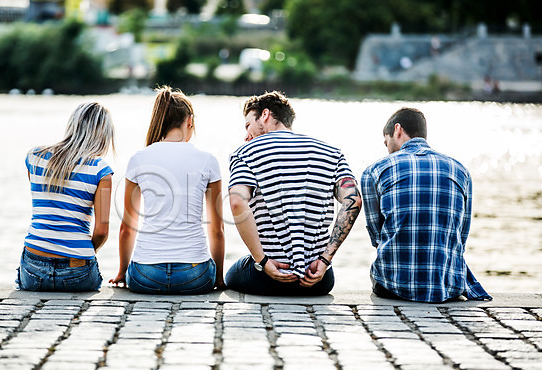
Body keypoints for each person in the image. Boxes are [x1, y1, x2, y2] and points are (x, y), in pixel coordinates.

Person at [226, 91, 362, 296]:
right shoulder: (332, 153)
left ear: (265, 114)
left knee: (231, 275)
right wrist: (324, 260)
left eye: (248, 125)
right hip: (318, 280)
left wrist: (263, 261)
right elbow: (354, 200)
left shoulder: (246, 152)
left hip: (267, 278)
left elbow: (237, 202)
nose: (247, 135)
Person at [361, 107, 492, 302]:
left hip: (393, 286)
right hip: (448, 286)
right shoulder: (461, 170)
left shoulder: (374, 171)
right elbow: (461, 235)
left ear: (397, 130)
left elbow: (377, 237)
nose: (387, 148)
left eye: (386, 142)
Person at [109, 87, 225, 294]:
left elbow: (127, 228)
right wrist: (218, 278)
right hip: (195, 275)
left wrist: (122, 272)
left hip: (145, 274)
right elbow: (217, 230)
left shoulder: (138, 159)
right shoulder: (208, 160)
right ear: (190, 121)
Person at [18, 102, 115, 291]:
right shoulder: (101, 170)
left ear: (73, 125)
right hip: (77, 271)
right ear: (104, 133)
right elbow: (101, 231)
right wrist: (84, 251)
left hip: (34, 266)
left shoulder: (35, 156)